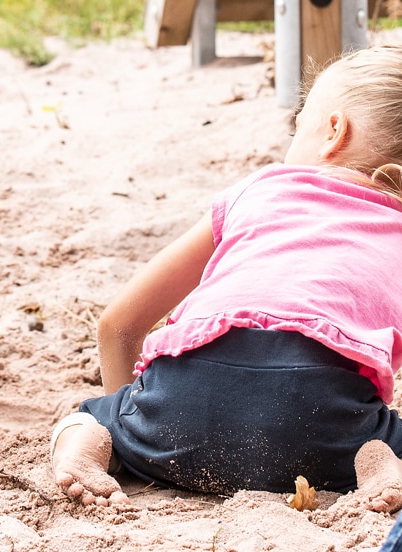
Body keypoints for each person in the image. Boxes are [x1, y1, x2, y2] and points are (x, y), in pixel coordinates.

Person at [52, 45, 402, 511]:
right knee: (377, 430)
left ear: (333, 132)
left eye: (298, 127)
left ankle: (95, 444)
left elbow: (118, 324)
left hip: (179, 408)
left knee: (84, 418)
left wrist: (134, 418)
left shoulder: (257, 190)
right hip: (321, 426)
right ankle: (376, 456)